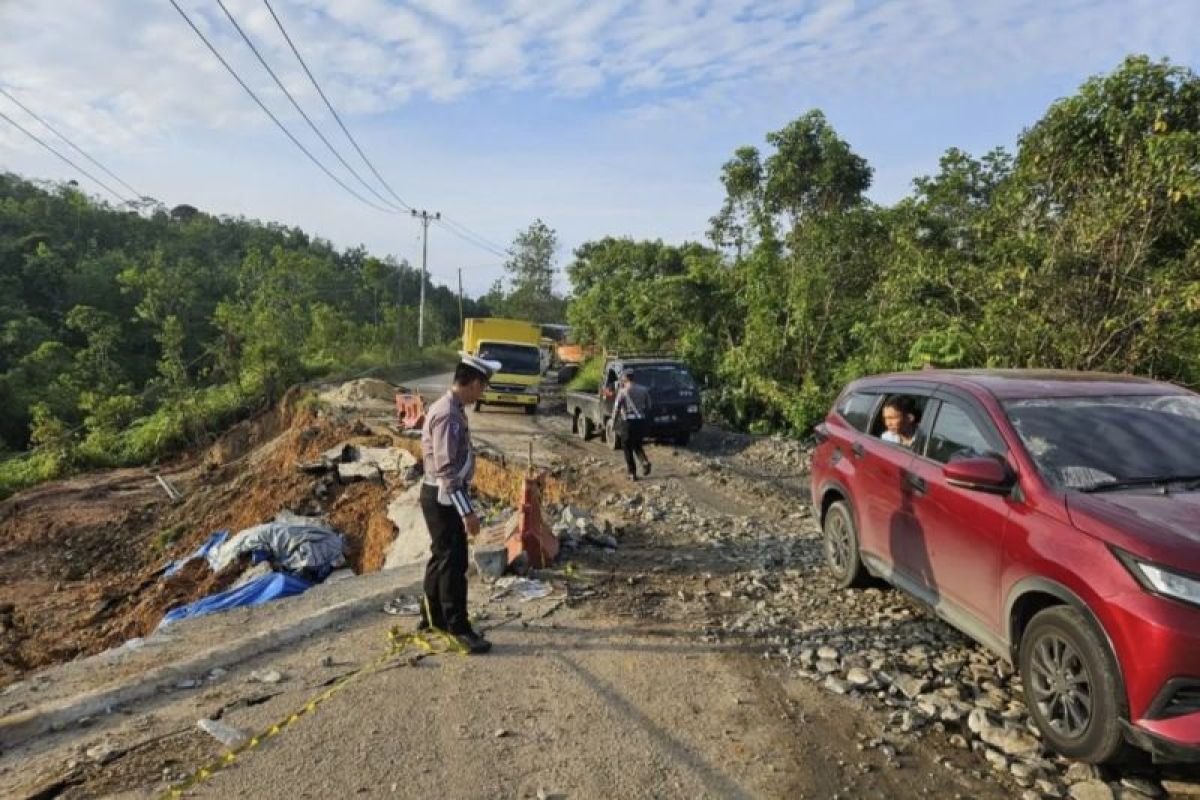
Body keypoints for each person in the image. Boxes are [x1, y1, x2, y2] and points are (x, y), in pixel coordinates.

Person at [418, 353, 500, 654]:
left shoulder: (452, 408)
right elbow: (446, 470)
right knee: (454, 562)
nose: (483, 393)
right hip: (443, 497)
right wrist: (467, 511)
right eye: (483, 386)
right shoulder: (447, 414)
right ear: (474, 382)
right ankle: (458, 627)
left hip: (441, 495)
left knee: (440, 557)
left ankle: (432, 617)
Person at [614, 371, 652, 480]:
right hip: (640, 422)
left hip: (628, 423)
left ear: (625, 378)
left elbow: (616, 409)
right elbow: (649, 406)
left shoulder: (622, 391)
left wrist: (613, 422)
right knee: (637, 444)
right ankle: (644, 462)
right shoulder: (644, 390)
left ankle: (632, 473)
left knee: (627, 447)